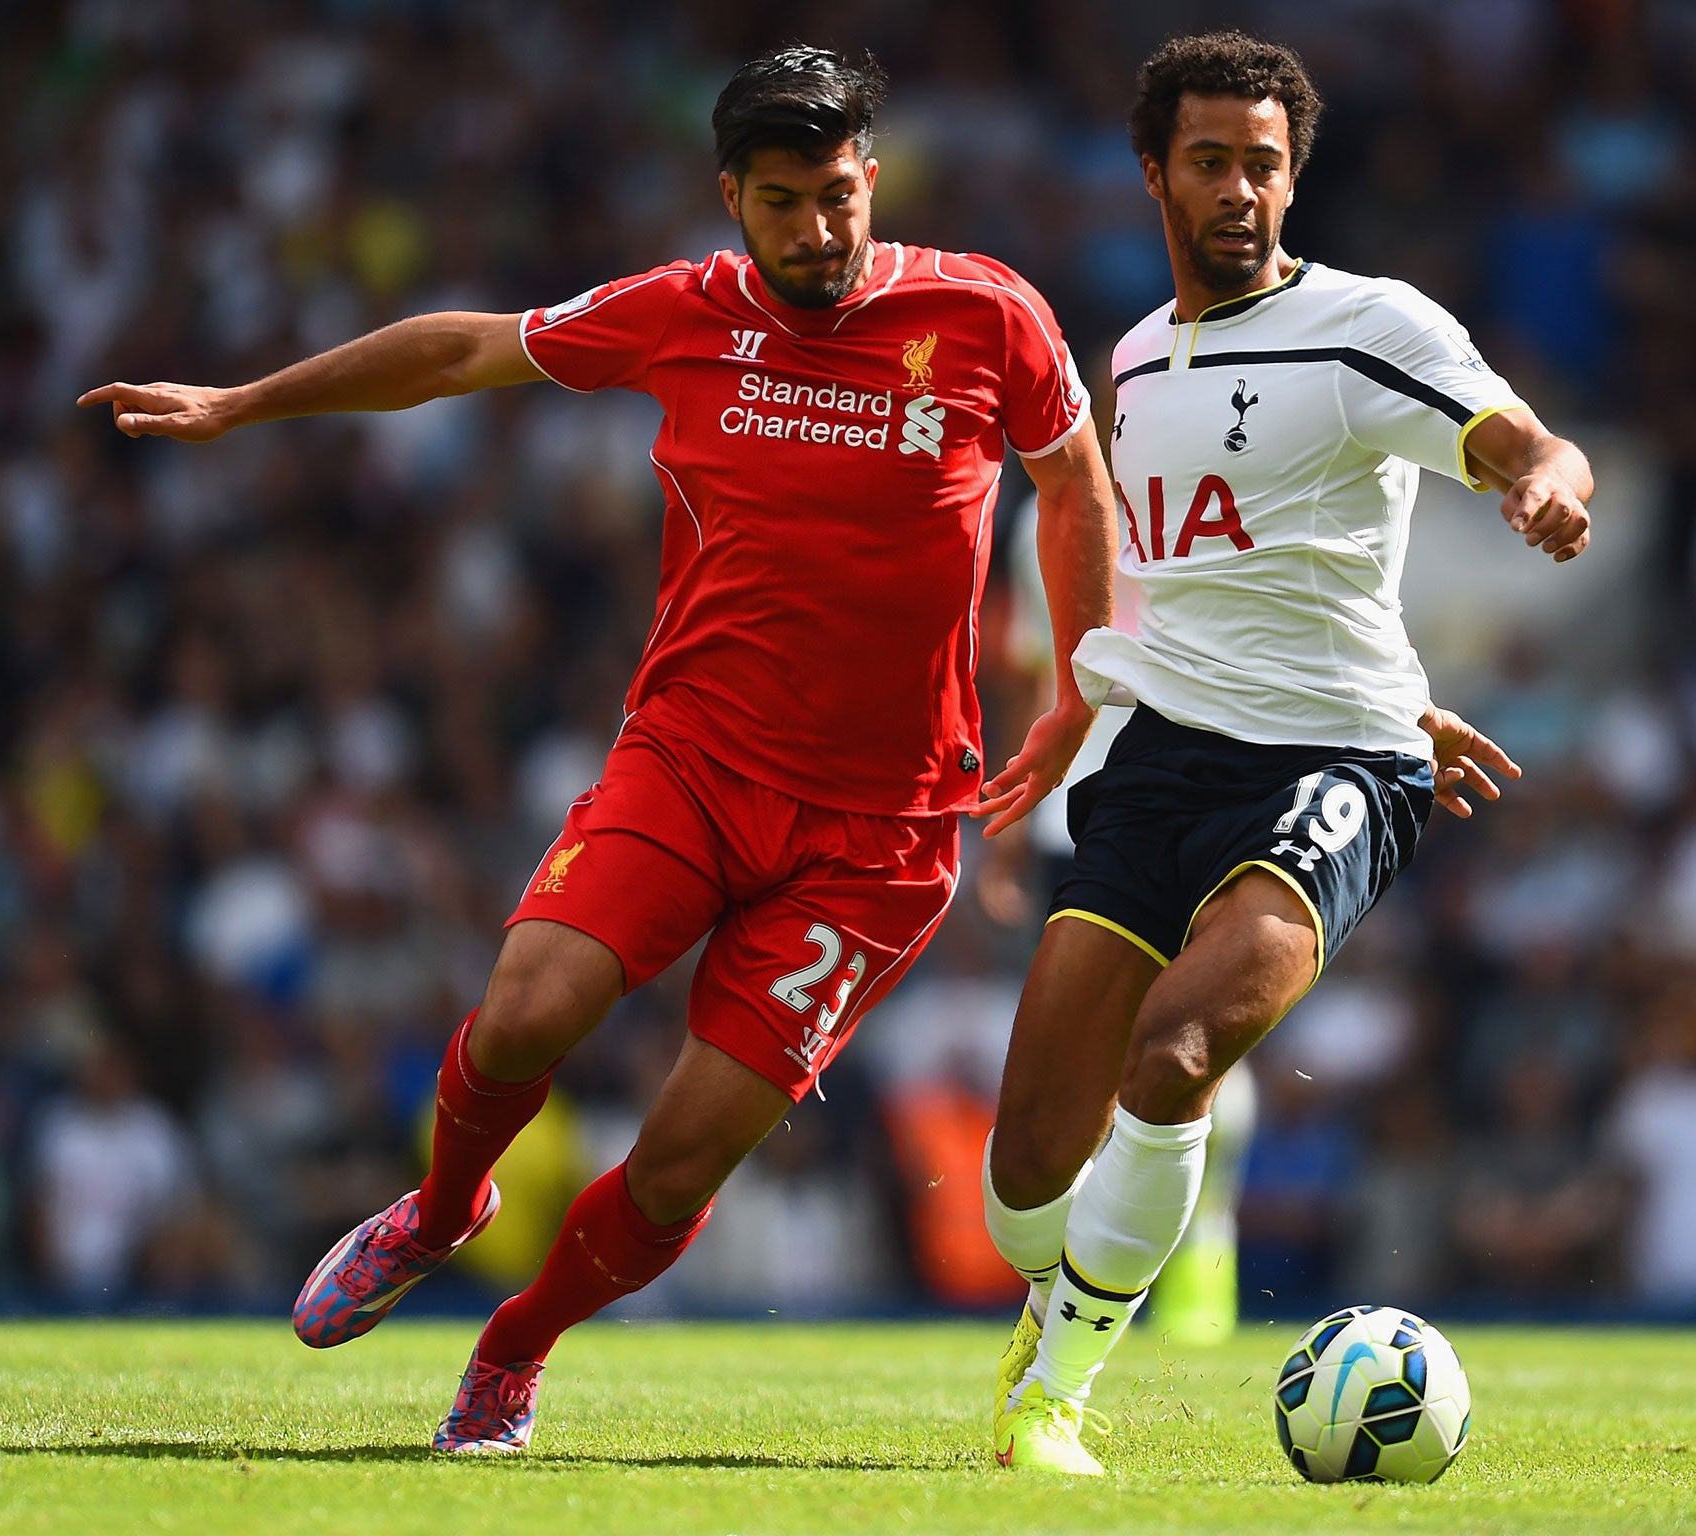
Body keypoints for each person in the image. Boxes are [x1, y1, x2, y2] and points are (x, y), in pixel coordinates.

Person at [81, 46, 1117, 1454]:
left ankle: (513, 1351)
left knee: (684, 1157)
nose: (817, 230)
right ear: (729, 200)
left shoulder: (989, 316)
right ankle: (443, 1213)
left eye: (837, 197)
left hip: (879, 838)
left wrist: (1079, 688)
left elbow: (1074, 485)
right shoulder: (682, 314)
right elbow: (462, 348)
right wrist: (238, 403)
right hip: (692, 763)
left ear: (871, 179)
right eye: (783, 203)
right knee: (524, 1013)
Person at [980, 32, 1591, 1475]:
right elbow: (1189, 580)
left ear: (1293, 176)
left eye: (1266, 163)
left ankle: (1051, 1397)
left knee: (1180, 1049)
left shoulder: (1369, 328)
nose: (1242, 188)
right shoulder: (1132, 360)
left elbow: (1526, 442)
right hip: (1156, 759)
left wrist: (1551, 490)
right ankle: (1060, 1288)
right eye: (1211, 161)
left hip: (1335, 765)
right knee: (1022, 1185)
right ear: (1155, 173)